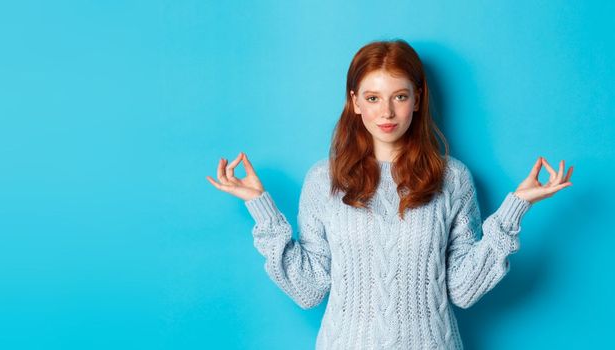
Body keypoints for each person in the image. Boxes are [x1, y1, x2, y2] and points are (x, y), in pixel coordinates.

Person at [205, 39, 574, 349]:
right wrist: (260, 207)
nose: (386, 112)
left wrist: (516, 208)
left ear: (418, 98)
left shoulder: (453, 178)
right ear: (355, 102)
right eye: (373, 97)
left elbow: (464, 289)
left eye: (399, 96)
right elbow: (309, 289)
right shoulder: (323, 180)